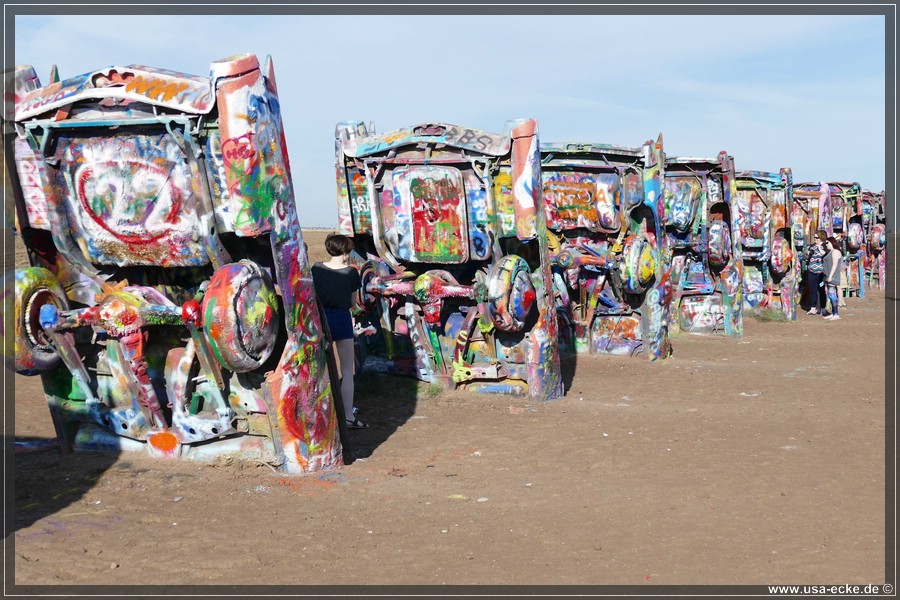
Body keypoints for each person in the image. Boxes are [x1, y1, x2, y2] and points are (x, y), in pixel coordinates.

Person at [311, 233, 368, 429]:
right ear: (345, 252)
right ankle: (348, 416)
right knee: (346, 370)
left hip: (320, 321)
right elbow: (353, 303)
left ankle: (324, 413)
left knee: (321, 369)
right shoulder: (352, 273)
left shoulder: (316, 269)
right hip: (341, 320)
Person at [805, 230, 827, 315]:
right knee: (812, 290)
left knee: (821, 290)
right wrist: (807, 254)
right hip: (811, 270)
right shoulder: (812, 246)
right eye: (814, 237)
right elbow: (809, 256)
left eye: (817, 237)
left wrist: (819, 247)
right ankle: (813, 308)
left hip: (820, 272)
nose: (815, 239)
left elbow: (824, 255)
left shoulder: (824, 246)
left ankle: (823, 308)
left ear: (821, 238)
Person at [822, 236, 843, 321]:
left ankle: (836, 314)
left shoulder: (835, 252)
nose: (826, 245)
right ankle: (834, 313)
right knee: (830, 295)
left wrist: (830, 276)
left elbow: (834, 264)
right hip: (828, 275)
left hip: (833, 276)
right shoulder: (830, 252)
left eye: (827, 243)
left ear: (831, 242)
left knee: (832, 294)